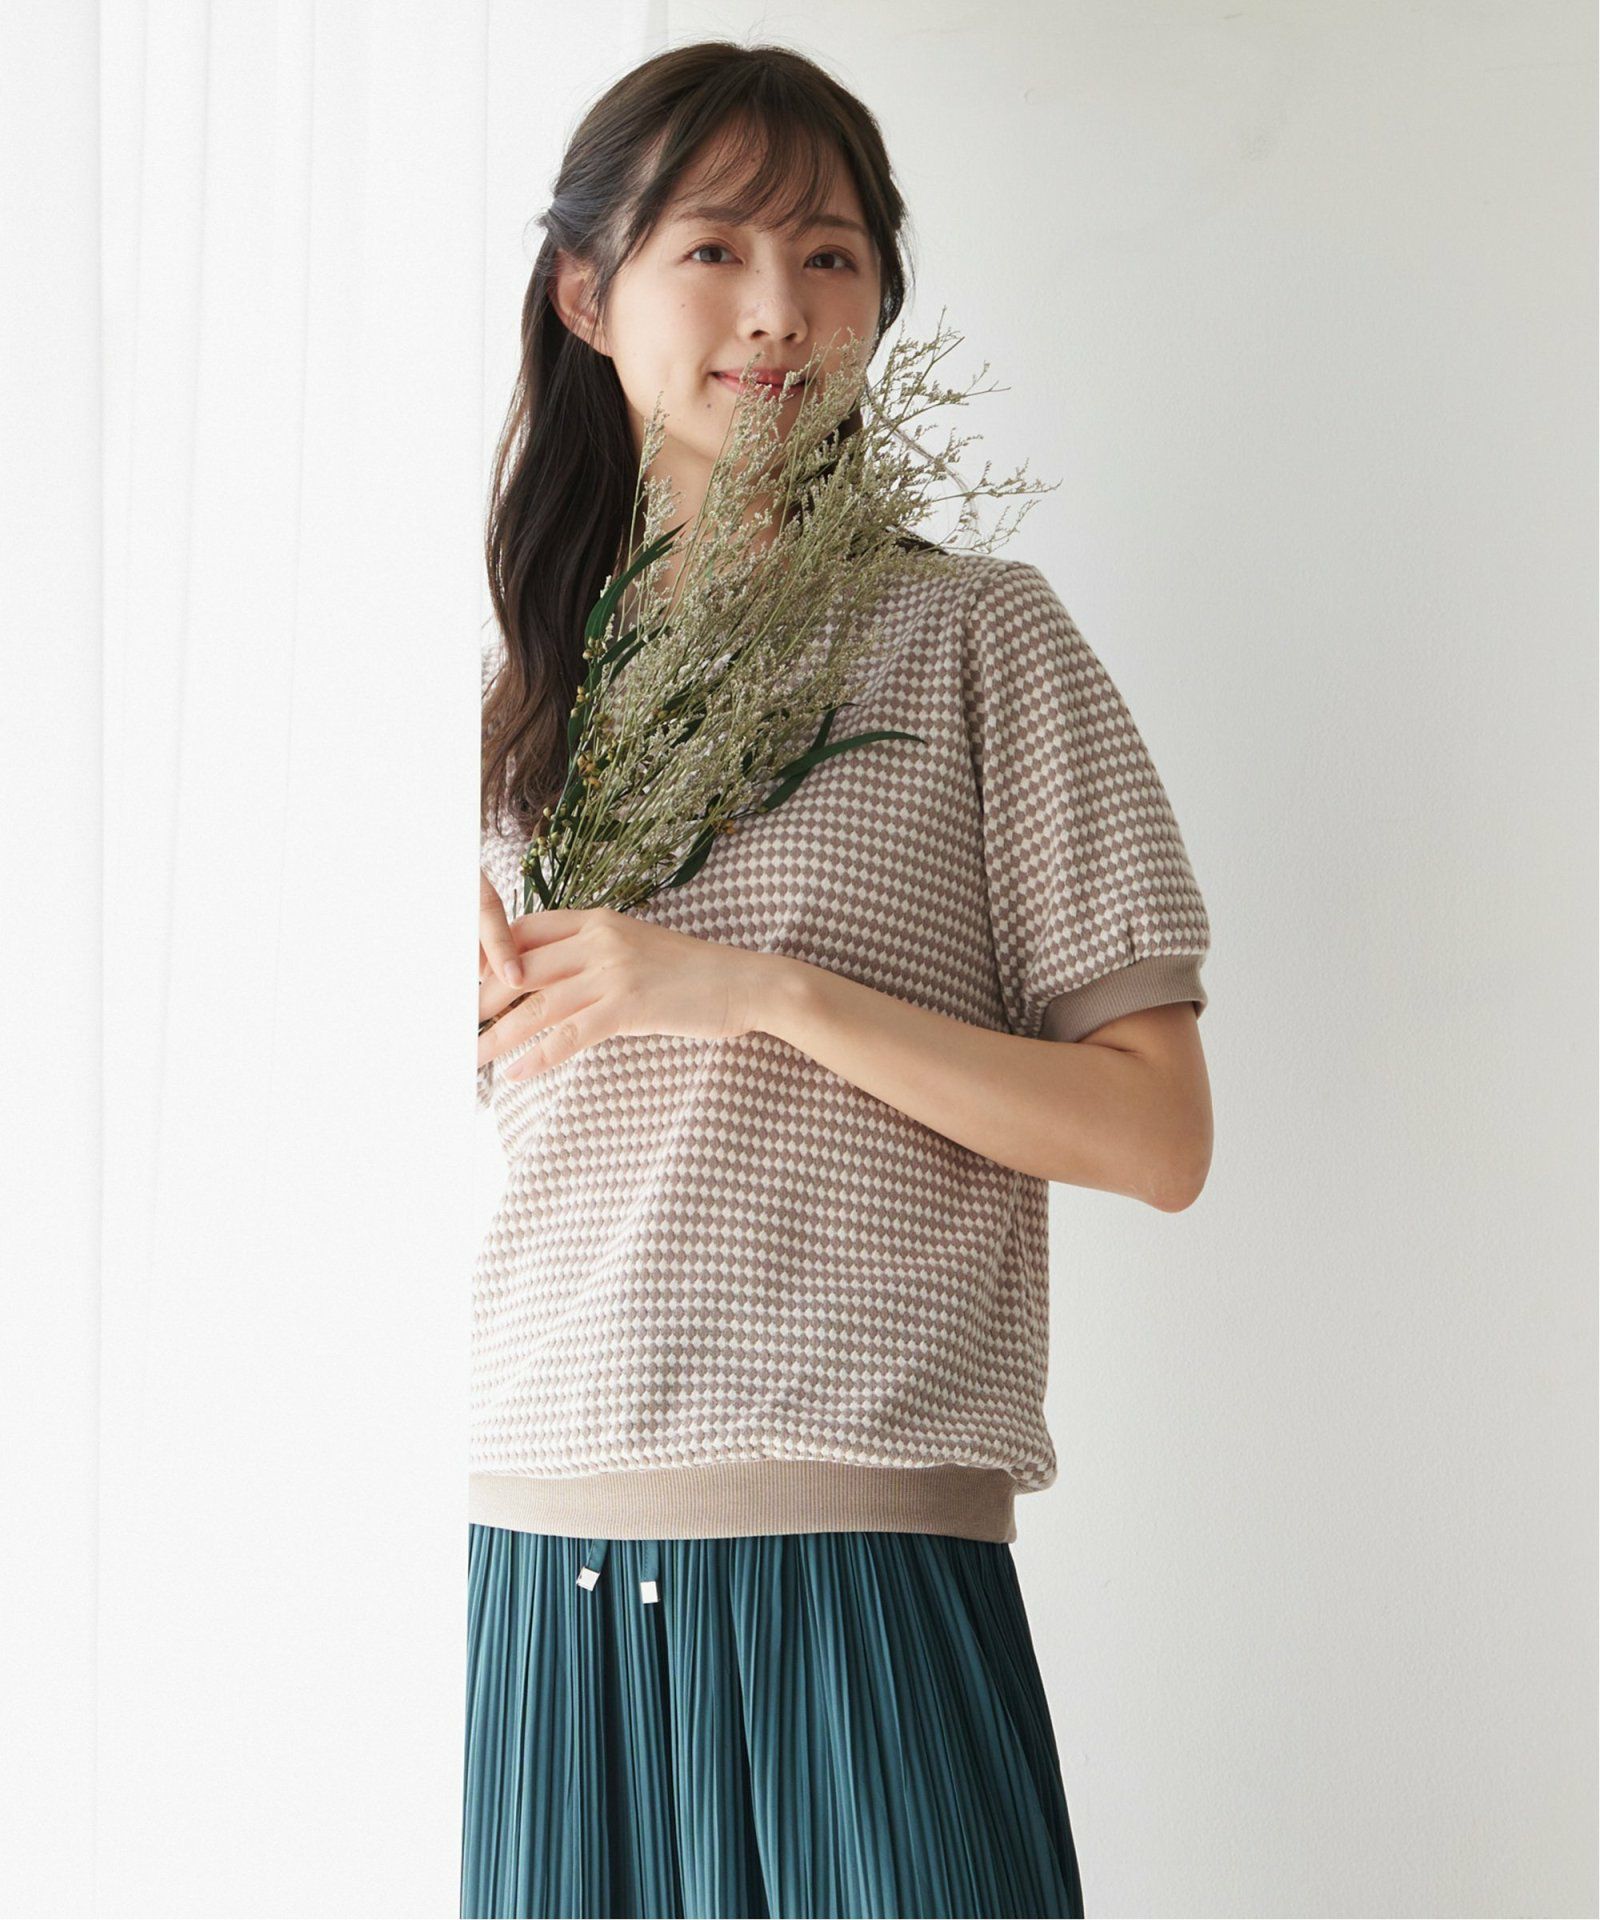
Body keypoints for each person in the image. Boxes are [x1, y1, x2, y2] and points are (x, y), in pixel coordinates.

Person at [467, 39, 1213, 1920]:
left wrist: (756, 990)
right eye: (714, 249)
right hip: (551, 1526)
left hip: (861, 1529)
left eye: (831, 256)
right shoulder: (509, 690)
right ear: (586, 294)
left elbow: (1156, 1134)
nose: (778, 311)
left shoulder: (975, 640)